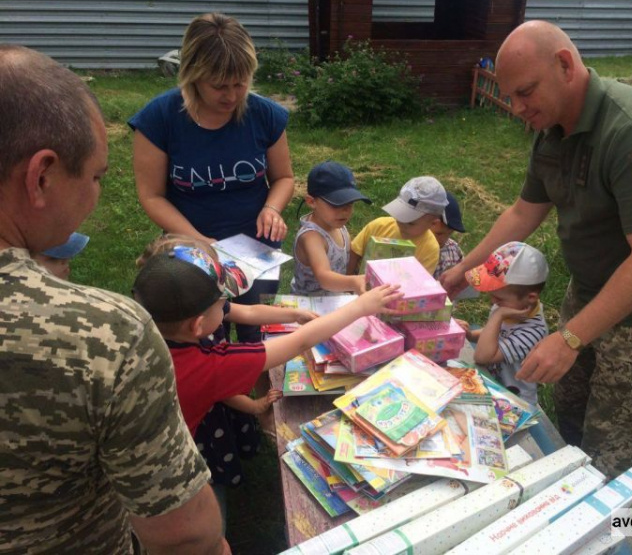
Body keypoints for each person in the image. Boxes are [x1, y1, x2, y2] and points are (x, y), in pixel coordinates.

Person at [441, 21, 632, 478]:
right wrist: (466, 267)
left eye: (525, 92)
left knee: (608, 449)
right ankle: (563, 485)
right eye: (512, 96)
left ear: (564, 65)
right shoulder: (553, 130)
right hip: (589, 287)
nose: (517, 108)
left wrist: (572, 338)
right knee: (567, 414)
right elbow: (524, 211)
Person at [0, 45, 226, 553]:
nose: (99, 192)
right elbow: (184, 534)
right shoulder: (104, 336)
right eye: (97, 176)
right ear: (41, 177)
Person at [129, 12, 294, 342]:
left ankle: (256, 390)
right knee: (202, 335)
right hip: (191, 251)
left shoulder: (264, 115)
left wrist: (272, 208)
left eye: (240, 84)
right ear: (192, 76)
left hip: (256, 250)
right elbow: (152, 196)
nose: (232, 96)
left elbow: (284, 178)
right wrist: (199, 241)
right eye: (219, 86)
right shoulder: (159, 119)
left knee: (256, 332)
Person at [132, 244, 402, 434]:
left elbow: (245, 311)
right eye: (223, 301)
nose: (227, 306)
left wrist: (293, 314)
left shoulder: (144, 326)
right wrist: (361, 307)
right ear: (198, 325)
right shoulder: (210, 366)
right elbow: (300, 343)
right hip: (171, 455)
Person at [456, 242, 549, 405]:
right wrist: (471, 335)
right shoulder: (508, 306)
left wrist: (498, 316)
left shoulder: (532, 332)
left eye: (498, 299)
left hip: (513, 399)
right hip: (493, 383)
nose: (493, 302)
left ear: (531, 298)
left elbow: (483, 356)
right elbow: (497, 334)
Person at [291, 161, 372, 295]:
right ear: (311, 202)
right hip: (309, 306)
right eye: (336, 204)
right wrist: (354, 282)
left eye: (350, 203)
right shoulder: (311, 237)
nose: (345, 211)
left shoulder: (337, 225)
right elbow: (325, 278)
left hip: (334, 298)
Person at [348, 176, 448, 275]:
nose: (402, 223)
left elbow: (418, 281)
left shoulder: (430, 248)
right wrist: (349, 282)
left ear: (433, 223)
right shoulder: (379, 225)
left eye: (410, 222)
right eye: (399, 215)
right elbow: (355, 252)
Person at [430, 191, 466, 280]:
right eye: (439, 233)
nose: (443, 240)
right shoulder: (412, 250)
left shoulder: (453, 250)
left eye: (449, 234)